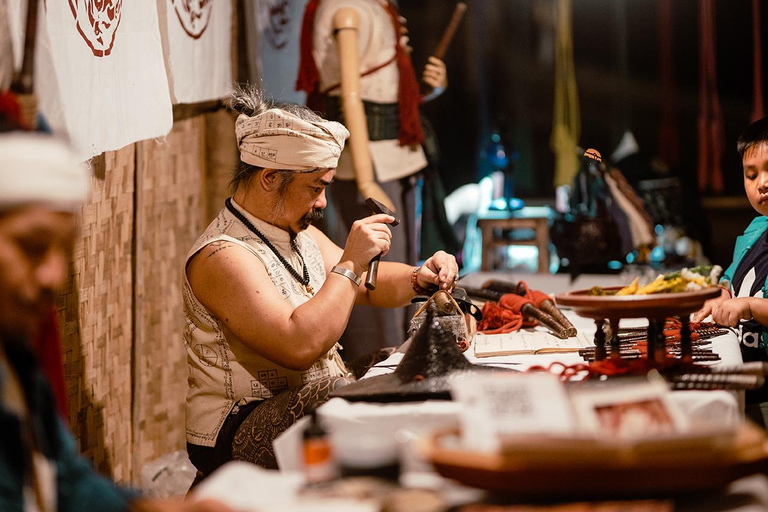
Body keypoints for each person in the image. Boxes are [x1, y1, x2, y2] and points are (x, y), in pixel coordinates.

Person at [182, 85, 459, 477]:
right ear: (270, 177)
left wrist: (420, 276)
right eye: (315, 187)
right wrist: (350, 261)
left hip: (317, 396)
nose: (322, 203)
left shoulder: (299, 234)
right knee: (338, 396)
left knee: (401, 363)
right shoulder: (222, 255)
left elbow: (369, 284)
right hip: (238, 425)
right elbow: (299, 345)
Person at [0, 127, 229, 511]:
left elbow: (66, 481)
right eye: (32, 246)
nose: (53, 277)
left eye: (64, 250)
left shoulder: (16, 363)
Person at [296, 0, 451, 358]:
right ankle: (376, 360)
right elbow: (350, 97)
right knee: (372, 270)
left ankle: (407, 354)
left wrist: (432, 88)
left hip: (395, 158)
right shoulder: (346, 11)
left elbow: (383, 89)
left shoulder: (375, 8)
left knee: (406, 263)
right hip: (372, 162)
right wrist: (366, 179)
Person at [694, 116, 768, 427]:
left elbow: (748, 302)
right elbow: (732, 279)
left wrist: (749, 307)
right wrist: (722, 295)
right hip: (745, 380)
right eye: (751, 175)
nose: (762, 183)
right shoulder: (756, 229)